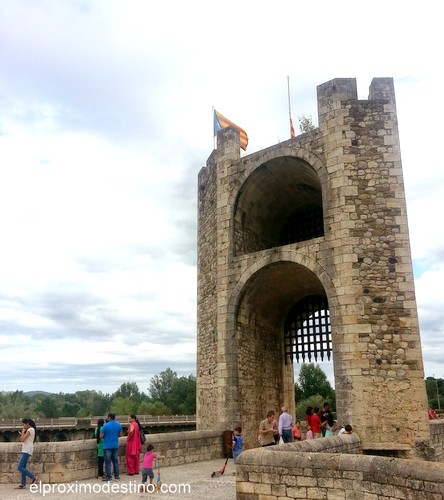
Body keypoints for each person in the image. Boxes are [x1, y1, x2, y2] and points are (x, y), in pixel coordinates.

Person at [100, 412, 123, 481]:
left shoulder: (105, 426)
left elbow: (101, 436)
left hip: (107, 446)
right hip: (115, 445)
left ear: (109, 417)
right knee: (115, 461)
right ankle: (117, 477)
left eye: (107, 417)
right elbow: (120, 434)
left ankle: (109, 477)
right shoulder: (118, 425)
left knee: (107, 462)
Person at [16, 418, 38, 490]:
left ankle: (33, 477)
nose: (23, 426)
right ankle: (23, 484)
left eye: (23, 424)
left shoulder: (30, 430)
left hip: (27, 450)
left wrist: (22, 432)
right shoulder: (31, 430)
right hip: (25, 449)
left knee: (20, 467)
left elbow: (22, 439)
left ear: (27, 424)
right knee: (23, 467)